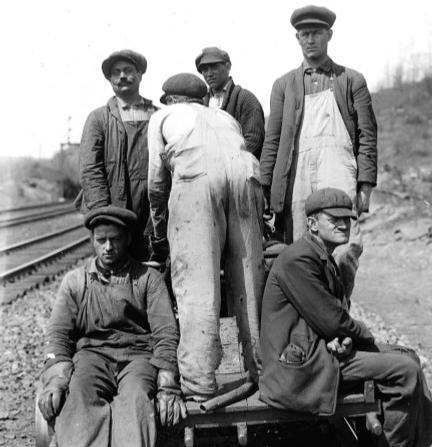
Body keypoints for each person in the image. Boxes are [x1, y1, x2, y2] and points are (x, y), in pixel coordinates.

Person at [259, 188, 432, 447]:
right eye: (334, 219)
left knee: (408, 355)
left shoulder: (318, 254)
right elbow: (332, 320)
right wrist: (361, 333)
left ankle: (431, 443)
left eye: (346, 219)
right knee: (405, 370)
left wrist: (343, 337)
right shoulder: (298, 259)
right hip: (299, 365)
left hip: (318, 351)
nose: (344, 224)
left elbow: (330, 319)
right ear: (312, 224)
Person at [147, 73, 264, 400]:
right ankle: (263, 373)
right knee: (250, 284)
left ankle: (199, 386)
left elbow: (156, 186)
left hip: (198, 181)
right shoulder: (225, 116)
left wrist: (161, 235)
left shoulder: (162, 117)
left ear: (171, 99)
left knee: (197, 288)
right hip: (247, 177)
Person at [37, 206, 186, 447]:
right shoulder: (76, 282)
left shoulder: (148, 279)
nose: (108, 247)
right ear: (91, 241)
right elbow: (58, 335)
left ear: (127, 239)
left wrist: (167, 383)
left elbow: (166, 333)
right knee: (79, 397)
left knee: (136, 401)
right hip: (91, 358)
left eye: (115, 239)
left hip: (137, 359)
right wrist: (56, 379)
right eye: (101, 240)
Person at [260, 6, 378, 298]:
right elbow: (272, 140)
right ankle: (309, 329)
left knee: (344, 248)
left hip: (338, 171)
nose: (310, 39)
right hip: (295, 175)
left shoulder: (351, 80)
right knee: (300, 250)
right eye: (304, 35)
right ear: (297, 39)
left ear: (329, 35)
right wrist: (266, 189)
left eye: (316, 33)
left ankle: (339, 313)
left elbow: (367, 136)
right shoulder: (283, 85)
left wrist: (365, 185)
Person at [77, 49, 158, 261]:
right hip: (115, 204)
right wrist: (104, 214)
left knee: (153, 264)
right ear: (110, 79)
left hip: (153, 207)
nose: (122, 76)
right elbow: (90, 169)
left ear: (140, 75)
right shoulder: (98, 119)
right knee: (116, 267)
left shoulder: (158, 115)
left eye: (128, 70)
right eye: (116, 72)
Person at [195, 46, 265, 159]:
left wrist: (225, 162)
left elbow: (253, 142)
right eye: (204, 70)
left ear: (228, 66)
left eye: (214, 67)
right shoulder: (202, 104)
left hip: (240, 171)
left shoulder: (246, 99)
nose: (209, 74)